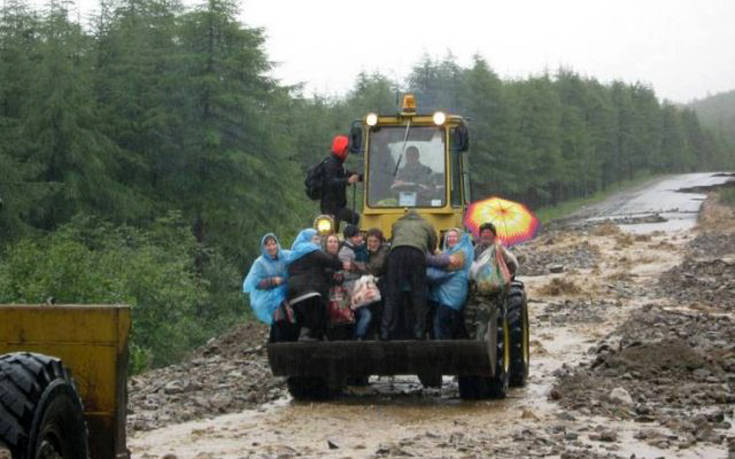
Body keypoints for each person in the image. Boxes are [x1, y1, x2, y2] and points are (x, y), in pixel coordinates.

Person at [380, 211, 438, 340]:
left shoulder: (398, 223)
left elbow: (394, 239)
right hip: (417, 253)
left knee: (392, 294)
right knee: (418, 294)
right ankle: (419, 331)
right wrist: (431, 251)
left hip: (396, 254)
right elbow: (433, 243)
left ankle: (385, 331)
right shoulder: (427, 224)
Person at [283, 228, 349, 341]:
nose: (317, 241)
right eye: (315, 238)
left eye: (318, 238)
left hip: (292, 292)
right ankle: (313, 337)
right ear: (308, 239)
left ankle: (305, 338)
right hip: (307, 290)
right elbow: (328, 261)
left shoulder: (293, 254)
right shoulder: (311, 250)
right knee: (321, 313)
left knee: (304, 317)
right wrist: (343, 265)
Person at [427, 229, 474, 340]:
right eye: (449, 237)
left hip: (454, 293)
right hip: (441, 294)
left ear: (460, 239)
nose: (451, 239)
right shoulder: (449, 252)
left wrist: (430, 258)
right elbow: (444, 260)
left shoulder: (463, 252)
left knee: (441, 322)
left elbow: (449, 265)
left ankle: (443, 351)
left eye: (454, 237)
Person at [242, 234, 290, 329]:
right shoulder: (260, 263)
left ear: (277, 244)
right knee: (277, 302)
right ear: (264, 248)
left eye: (273, 244)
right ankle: (279, 328)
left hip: (288, 285)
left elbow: (298, 258)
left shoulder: (286, 255)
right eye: (268, 245)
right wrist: (273, 281)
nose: (271, 247)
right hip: (268, 293)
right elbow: (255, 282)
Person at [321, 135, 362, 229]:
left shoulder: (338, 163)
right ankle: (349, 236)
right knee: (353, 218)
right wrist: (347, 181)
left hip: (338, 206)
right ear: (341, 149)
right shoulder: (331, 164)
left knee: (353, 218)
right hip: (331, 207)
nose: (347, 153)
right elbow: (330, 182)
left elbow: (346, 174)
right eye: (346, 150)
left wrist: (360, 177)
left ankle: (348, 235)